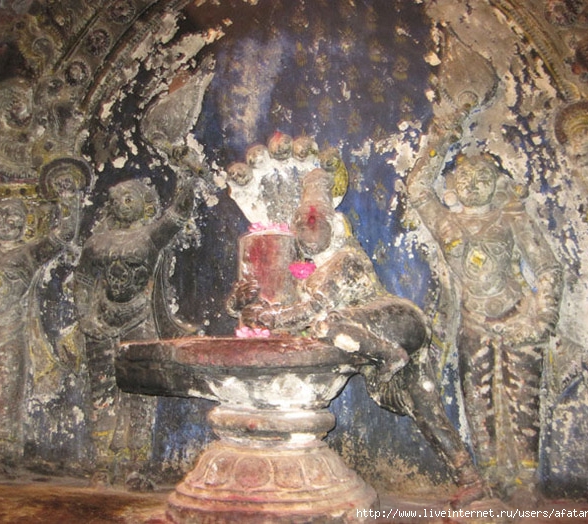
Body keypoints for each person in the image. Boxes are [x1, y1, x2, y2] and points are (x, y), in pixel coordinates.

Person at [229, 168, 488, 508]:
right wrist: (242, 303)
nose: (307, 231)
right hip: (376, 338)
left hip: (397, 322)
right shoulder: (305, 276)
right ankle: (469, 478)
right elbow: (281, 312)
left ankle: (390, 356)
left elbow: (310, 312)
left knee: (326, 324)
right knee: (424, 405)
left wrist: (272, 317)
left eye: (315, 223)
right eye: (301, 225)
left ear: (334, 226)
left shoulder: (346, 260)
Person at [406, 115, 563, 503]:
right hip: (473, 322)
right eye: (465, 178)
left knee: (523, 401)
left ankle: (525, 480)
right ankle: (491, 478)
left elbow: (547, 267)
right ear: (453, 185)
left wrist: (542, 319)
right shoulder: (447, 222)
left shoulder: (509, 216)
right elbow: (418, 189)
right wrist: (441, 138)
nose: (473, 184)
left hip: (517, 316)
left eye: (482, 177)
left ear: (497, 183)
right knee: (478, 401)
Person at [0, 159, 84, 469]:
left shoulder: (28, 253)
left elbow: (62, 236)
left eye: (13, 214)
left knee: (8, 387)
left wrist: (69, 199)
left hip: (9, 328)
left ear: (26, 222)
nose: (5, 219)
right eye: (0, 213)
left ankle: (4, 446)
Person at [73, 174, 197, 488]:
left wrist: (188, 178)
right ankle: (103, 461)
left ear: (144, 203)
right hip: (102, 322)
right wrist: (85, 317)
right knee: (102, 391)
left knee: (141, 392)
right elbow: (83, 280)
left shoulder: (149, 235)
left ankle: (137, 462)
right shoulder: (97, 242)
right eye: (116, 199)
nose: (121, 203)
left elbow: (177, 215)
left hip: (139, 319)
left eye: (129, 198)